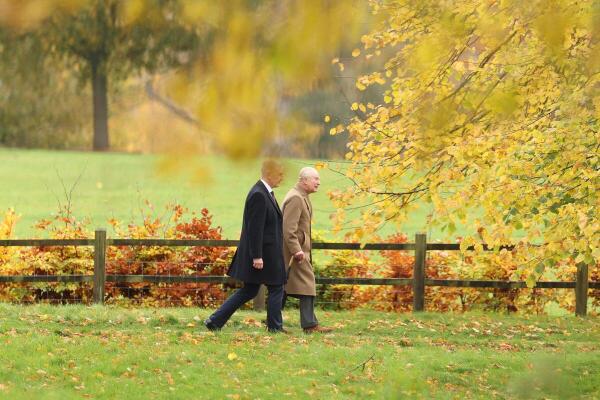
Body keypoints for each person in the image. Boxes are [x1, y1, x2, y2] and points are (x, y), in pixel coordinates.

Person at [205, 160, 287, 332]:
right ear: (269, 174)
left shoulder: (265, 192)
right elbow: (254, 229)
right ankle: (275, 328)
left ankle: (215, 321)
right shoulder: (259, 194)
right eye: (279, 174)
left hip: (265, 253)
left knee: (250, 290)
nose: (282, 178)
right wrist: (257, 256)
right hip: (263, 255)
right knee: (276, 286)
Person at [282, 167, 332, 333]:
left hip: (299, 251)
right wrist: (297, 250)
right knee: (306, 283)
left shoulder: (302, 196)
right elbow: (289, 229)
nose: (318, 182)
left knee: (283, 287)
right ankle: (309, 325)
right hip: (295, 253)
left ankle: (273, 321)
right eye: (315, 179)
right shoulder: (296, 198)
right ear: (304, 180)